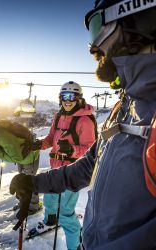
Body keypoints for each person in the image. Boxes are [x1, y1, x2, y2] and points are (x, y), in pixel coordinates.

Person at [9, 0, 156, 249]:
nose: (93, 47)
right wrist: (35, 183)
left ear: (142, 18)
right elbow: (89, 166)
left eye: (98, 26)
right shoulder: (127, 105)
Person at [28, 81, 96, 250]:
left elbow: (92, 152)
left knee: (66, 214)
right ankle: (50, 220)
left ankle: (76, 246)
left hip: (72, 172)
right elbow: (52, 138)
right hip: (55, 167)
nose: (67, 100)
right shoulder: (59, 116)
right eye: (64, 96)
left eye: (71, 96)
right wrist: (40, 144)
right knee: (49, 199)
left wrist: (71, 149)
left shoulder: (85, 121)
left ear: (78, 98)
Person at [0, 112, 41, 214]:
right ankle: (24, 203)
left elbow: (16, 157)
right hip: (23, 155)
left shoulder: (0, 134)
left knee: (28, 183)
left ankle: (33, 207)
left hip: (29, 157)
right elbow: (0, 145)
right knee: (23, 182)